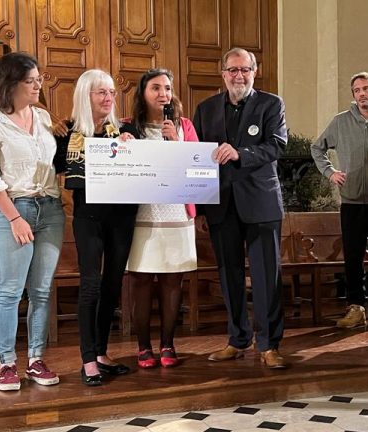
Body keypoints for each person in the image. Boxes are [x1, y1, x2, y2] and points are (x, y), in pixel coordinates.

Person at [0, 52, 65, 391]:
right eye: (31, 80)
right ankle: (6, 363)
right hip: (12, 210)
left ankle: (36, 359)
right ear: (10, 84)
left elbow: (56, 159)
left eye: (39, 78)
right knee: (10, 291)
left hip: (50, 209)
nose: (39, 85)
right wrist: (14, 218)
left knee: (41, 291)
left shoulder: (41, 118)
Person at [192, 47, 288, 369]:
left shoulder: (270, 104)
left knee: (265, 278)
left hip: (260, 204)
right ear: (223, 74)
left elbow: (277, 145)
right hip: (221, 205)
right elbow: (195, 156)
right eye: (233, 70)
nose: (239, 75)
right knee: (228, 277)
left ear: (254, 71)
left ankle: (269, 344)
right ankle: (237, 339)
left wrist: (240, 153)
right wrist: (201, 208)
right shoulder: (205, 109)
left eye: (245, 69)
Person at [53, 69, 137, 386]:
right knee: (90, 284)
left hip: (122, 216)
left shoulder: (126, 131)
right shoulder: (68, 132)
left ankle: (101, 352)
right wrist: (52, 130)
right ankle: (88, 359)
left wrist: (132, 147)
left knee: (112, 285)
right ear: (85, 95)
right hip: (88, 215)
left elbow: (141, 168)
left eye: (112, 92)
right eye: (101, 92)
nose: (108, 98)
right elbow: (56, 166)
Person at [311, 72, 368, 330]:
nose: (361, 94)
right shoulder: (341, 121)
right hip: (351, 201)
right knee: (352, 256)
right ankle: (355, 308)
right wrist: (331, 172)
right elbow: (317, 148)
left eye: (366, 88)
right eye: (357, 90)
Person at [124, 69, 199, 368]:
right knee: (140, 281)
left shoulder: (184, 126)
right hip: (142, 215)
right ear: (143, 93)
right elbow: (118, 168)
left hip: (177, 214)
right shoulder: (127, 126)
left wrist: (177, 143)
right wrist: (122, 144)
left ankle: (168, 344)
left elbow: (197, 168)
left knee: (172, 280)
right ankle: (143, 347)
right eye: (155, 88)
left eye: (167, 88)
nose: (163, 94)